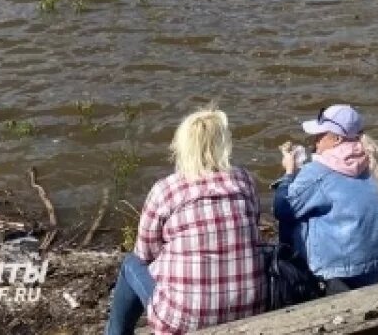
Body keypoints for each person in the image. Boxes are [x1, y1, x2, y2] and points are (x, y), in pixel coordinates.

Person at [105, 106, 265, 335]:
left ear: (181, 146)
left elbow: (145, 253)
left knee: (131, 265)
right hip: (250, 307)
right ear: (224, 144)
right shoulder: (244, 181)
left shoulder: (166, 190)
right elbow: (253, 229)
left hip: (183, 321)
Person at [273, 104, 378, 293]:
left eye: (319, 135)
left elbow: (282, 209)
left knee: (293, 219)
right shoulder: (375, 162)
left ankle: (298, 278)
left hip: (351, 275)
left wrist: (289, 174)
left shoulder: (317, 172)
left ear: (337, 139)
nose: (315, 141)